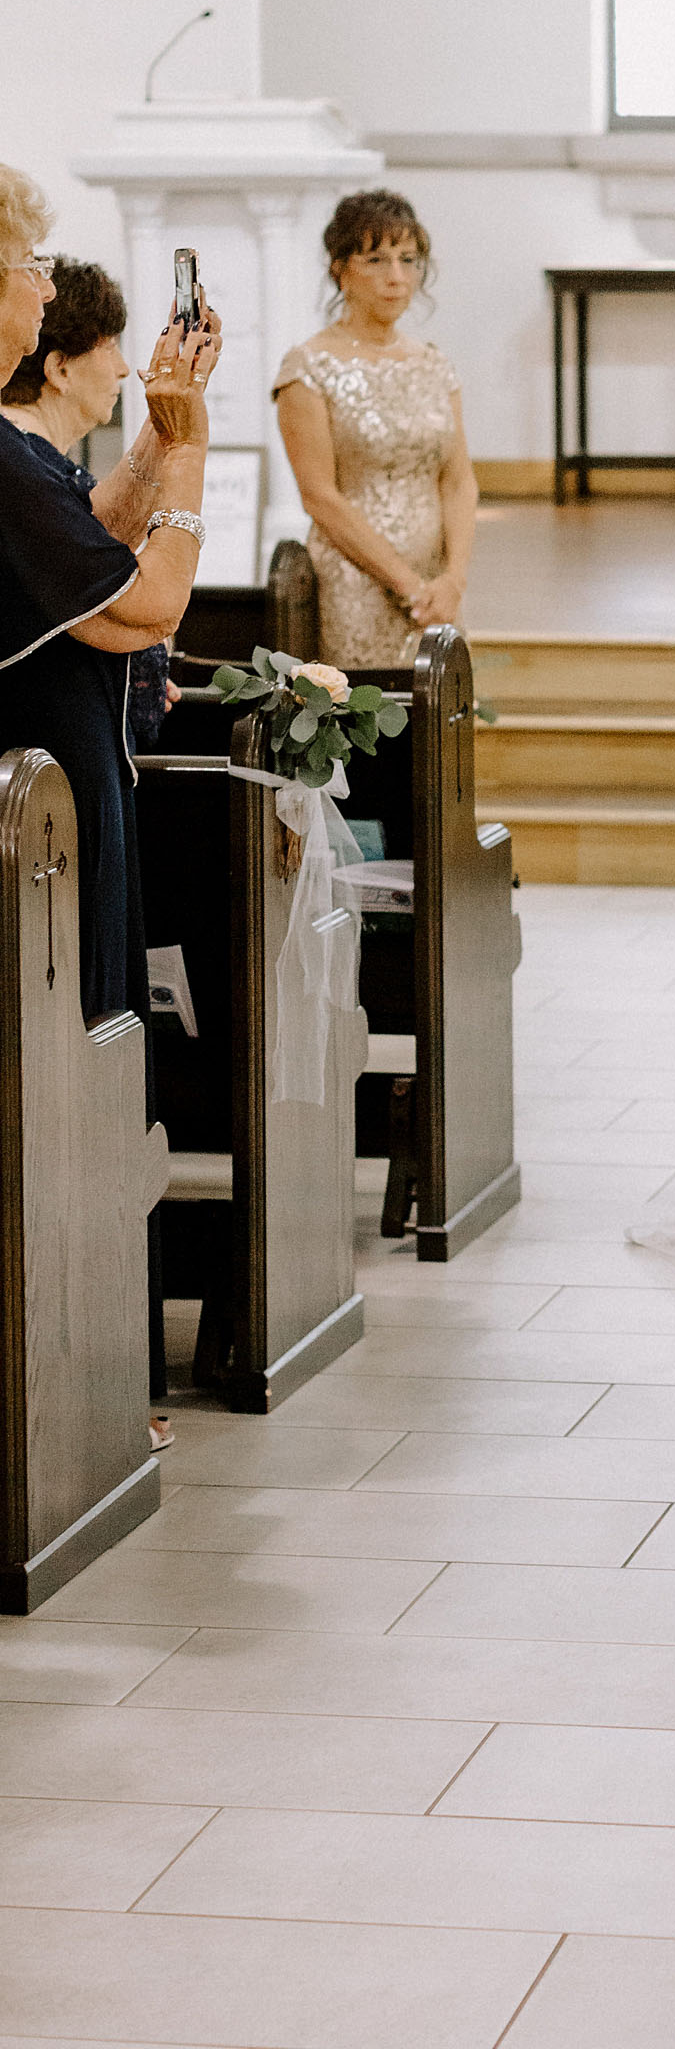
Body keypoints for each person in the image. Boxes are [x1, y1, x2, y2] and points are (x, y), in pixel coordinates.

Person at [0, 179, 220, 1453]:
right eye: (27, 264)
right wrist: (188, 452)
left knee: (91, 1048)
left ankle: (86, 1365)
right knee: (66, 1068)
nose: (44, 285)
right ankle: (70, 1381)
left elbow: (86, 539)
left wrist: (153, 435)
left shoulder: (22, 459)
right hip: (35, 811)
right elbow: (141, 609)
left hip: (68, 790)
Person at [273, 189, 477, 666]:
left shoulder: (433, 363)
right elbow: (319, 495)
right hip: (355, 583)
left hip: (438, 590)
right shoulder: (308, 367)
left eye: (408, 260)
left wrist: (453, 580)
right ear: (339, 268)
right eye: (376, 259)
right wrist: (408, 586)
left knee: (436, 722)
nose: (396, 278)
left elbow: (459, 478)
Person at [3, 257, 178, 749]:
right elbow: (141, 606)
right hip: (48, 748)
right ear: (59, 368)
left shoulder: (39, 463)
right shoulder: (22, 467)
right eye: (110, 346)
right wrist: (188, 443)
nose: (124, 368)